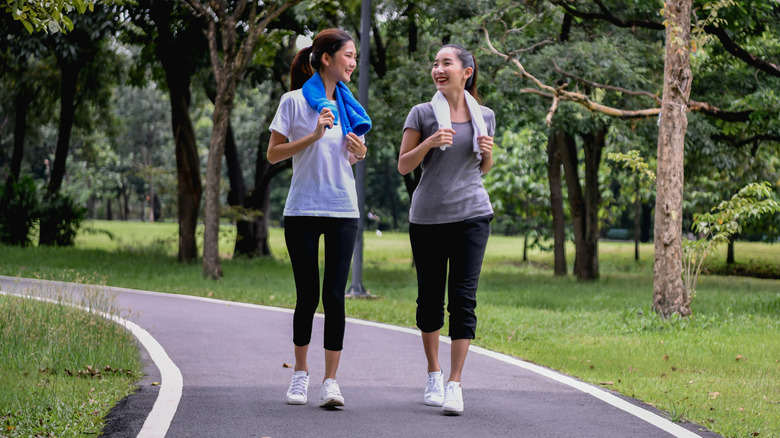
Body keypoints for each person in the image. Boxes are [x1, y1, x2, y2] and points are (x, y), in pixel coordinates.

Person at [267, 28, 370, 409]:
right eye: (349, 55)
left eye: (356, 56)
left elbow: (349, 159)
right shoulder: (293, 102)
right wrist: (312, 135)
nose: (353, 62)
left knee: (334, 297)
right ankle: (300, 373)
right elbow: (273, 155)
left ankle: (331, 381)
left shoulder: (348, 106)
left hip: (343, 209)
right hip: (303, 209)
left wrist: (358, 152)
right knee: (308, 295)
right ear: (326, 58)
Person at [397, 44, 495, 415]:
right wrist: (430, 141)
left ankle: (455, 383)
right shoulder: (422, 113)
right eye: (435, 63)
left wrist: (488, 152)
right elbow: (404, 166)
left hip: (473, 214)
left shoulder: (484, 114)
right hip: (428, 218)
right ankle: (434, 372)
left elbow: (482, 168)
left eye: (446, 63)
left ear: (466, 71)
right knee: (430, 299)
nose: (438, 69)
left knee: (463, 300)